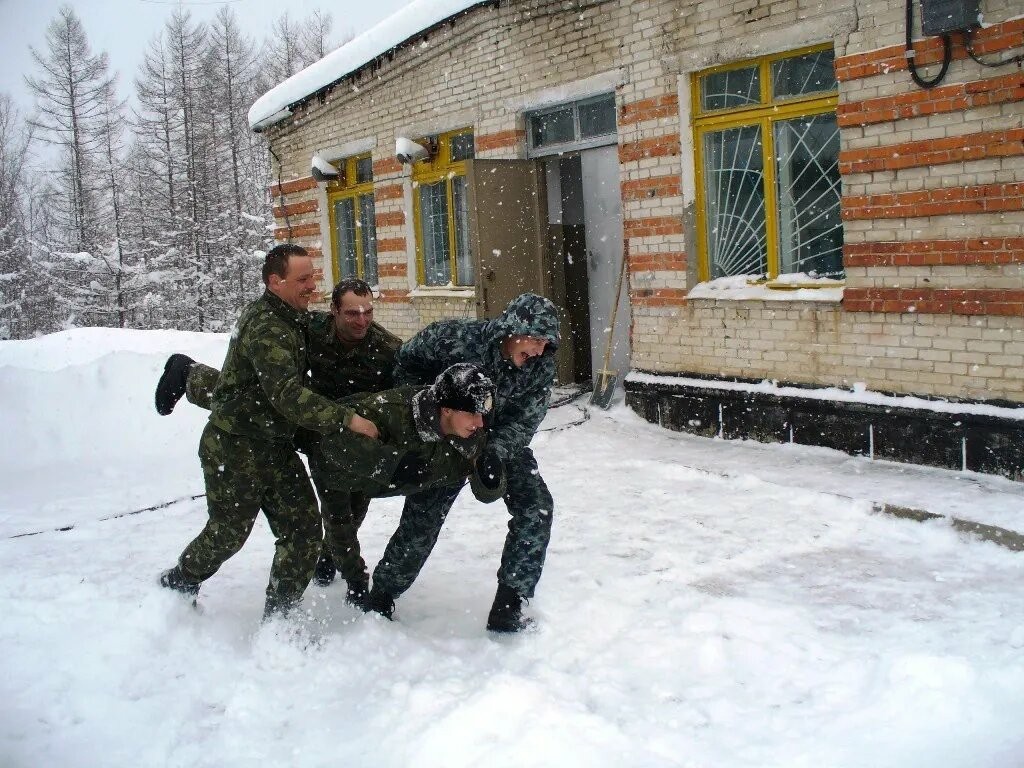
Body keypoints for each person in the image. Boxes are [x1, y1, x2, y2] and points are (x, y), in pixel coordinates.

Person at [157, 244, 379, 620]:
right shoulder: (268, 328)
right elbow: (287, 396)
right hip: (235, 445)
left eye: (313, 275)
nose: (312, 285)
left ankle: (280, 620)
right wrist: (347, 419)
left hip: (274, 444)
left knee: (304, 534)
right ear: (275, 282)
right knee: (228, 533)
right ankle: (180, 582)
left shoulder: (293, 315)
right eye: (303, 278)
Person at [363, 293, 560, 633]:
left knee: (536, 506)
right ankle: (381, 596)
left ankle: (509, 604)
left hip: (498, 439)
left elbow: (527, 418)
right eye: (536, 341)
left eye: (546, 344)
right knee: (423, 519)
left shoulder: (540, 365)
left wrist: (496, 452)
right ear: (514, 329)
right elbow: (406, 361)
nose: (539, 351)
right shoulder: (455, 338)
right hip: (449, 438)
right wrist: (430, 416)